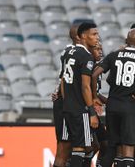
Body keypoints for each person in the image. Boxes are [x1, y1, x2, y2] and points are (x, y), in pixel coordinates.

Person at [92, 28, 135, 167]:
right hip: (129, 106)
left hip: (113, 105)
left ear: (127, 41)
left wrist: (94, 96)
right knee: (128, 149)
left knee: (112, 148)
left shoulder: (114, 55)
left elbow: (95, 74)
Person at [61, 22, 100, 167]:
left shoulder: (67, 53)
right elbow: (85, 86)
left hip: (67, 107)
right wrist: (91, 112)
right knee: (80, 147)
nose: (97, 37)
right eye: (94, 34)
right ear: (83, 36)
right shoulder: (86, 56)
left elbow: (63, 82)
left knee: (76, 146)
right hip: (80, 109)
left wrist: (66, 102)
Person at [52, 24, 79, 167]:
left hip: (74, 104)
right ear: (79, 37)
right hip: (66, 103)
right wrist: (60, 92)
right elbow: (65, 78)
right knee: (63, 148)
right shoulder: (71, 52)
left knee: (88, 145)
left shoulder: (75, 52)